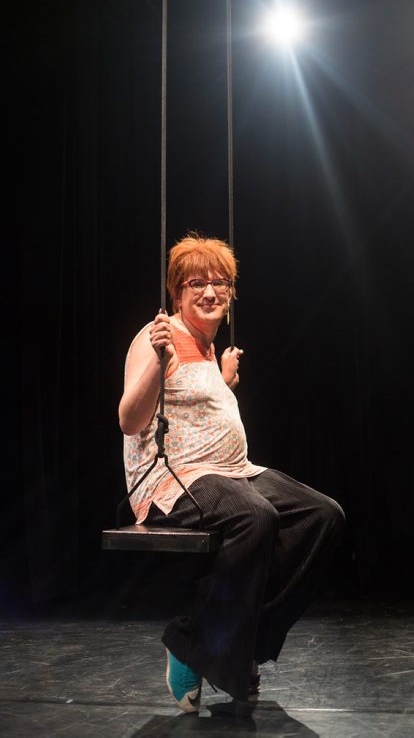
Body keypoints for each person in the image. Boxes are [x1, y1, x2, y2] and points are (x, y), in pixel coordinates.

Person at [118, 231, 345, 712]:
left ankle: (238, 645)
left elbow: (194, 408)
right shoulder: (156, 336)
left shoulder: (205, 345)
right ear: (177, 292)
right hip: (172, 480)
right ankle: (196, 645)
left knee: (322, 515)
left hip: (233, 471)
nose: (210, 292)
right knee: (255, 516)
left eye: (220, 282)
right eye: (196, 282)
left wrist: (223, 382)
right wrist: (159, 363)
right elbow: (130, 420)